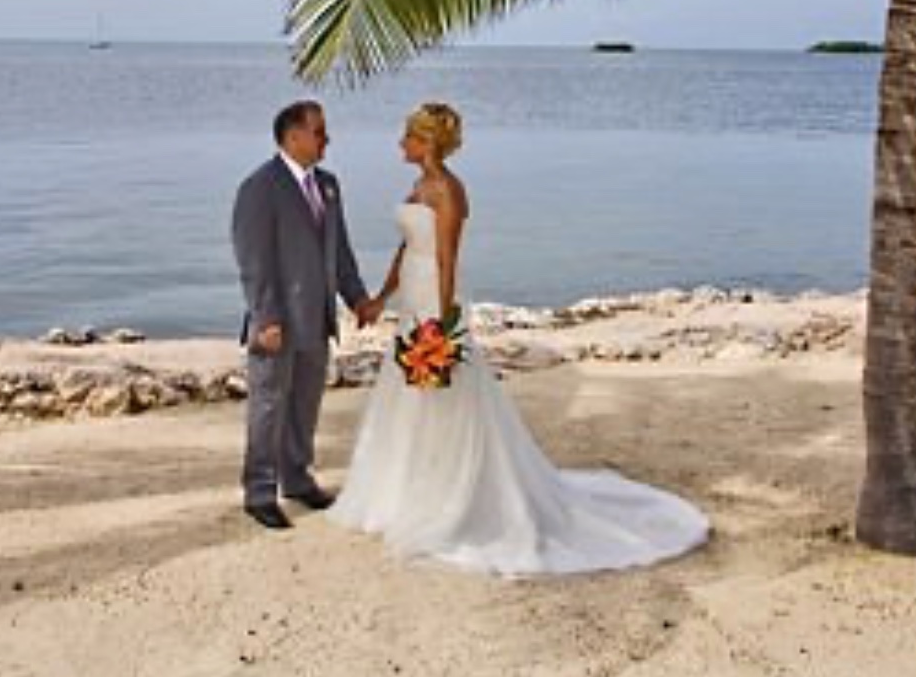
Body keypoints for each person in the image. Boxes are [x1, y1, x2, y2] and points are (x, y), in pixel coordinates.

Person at [328, 102, 710, 575]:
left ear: (426, 142)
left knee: (444, 394)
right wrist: (382, 297)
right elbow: (407, 247)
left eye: (407, 137)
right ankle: (401, 490)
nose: (400, 144)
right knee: (405, 393)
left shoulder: (449, 190)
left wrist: (442, 323)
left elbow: (447, 259)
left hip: (434, 299)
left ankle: (448, 495)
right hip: (411, 293)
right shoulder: (417, 186)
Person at [232, 100, 381, 530]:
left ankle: (297, 479)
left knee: (305, 404)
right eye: (319, 131)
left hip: (318, 318)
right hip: (277, 322)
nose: (326, 139)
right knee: (268, 406)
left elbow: (340, 251)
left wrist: (356, 298)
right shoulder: (260, 187)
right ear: (293, 136)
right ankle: (259, 492)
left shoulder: (329, 185)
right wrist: (266, 318)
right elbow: (252, 258)